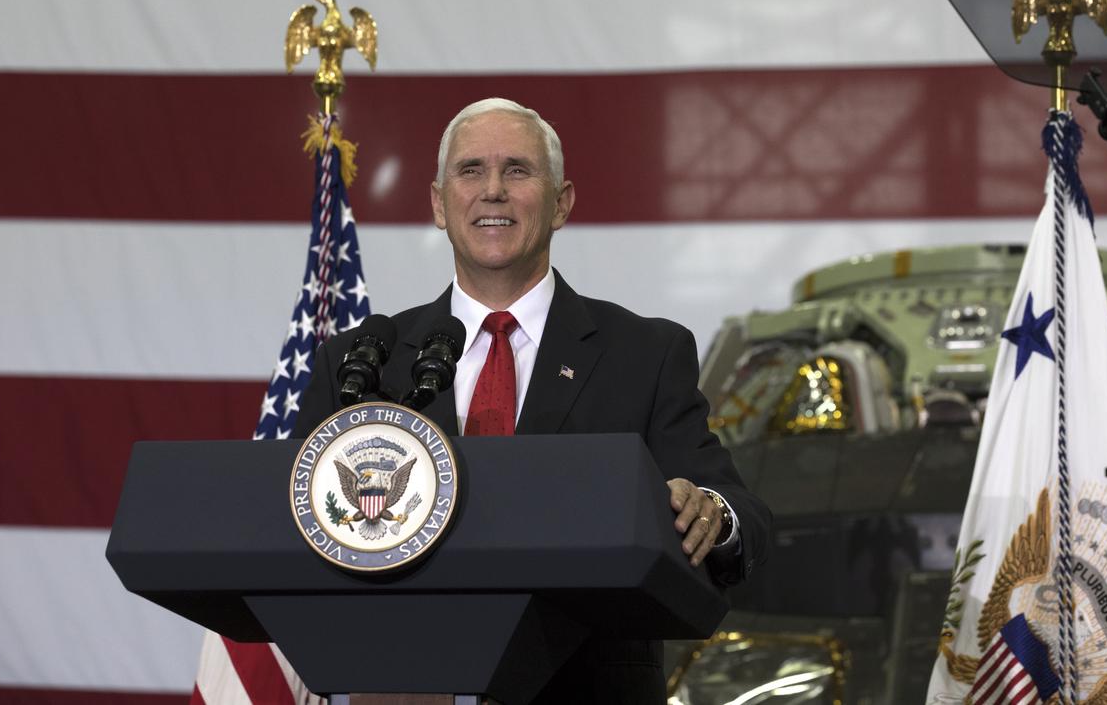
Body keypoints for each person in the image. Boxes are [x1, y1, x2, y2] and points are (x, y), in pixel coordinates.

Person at [295, 98, 771, 704]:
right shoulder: (362, 361)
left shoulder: (644, 353)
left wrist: (714, 513)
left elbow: (743, 518)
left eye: (517, 170)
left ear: (562, 203)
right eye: (471, 171)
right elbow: (292, 523)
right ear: (439, 204)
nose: (493, 190)